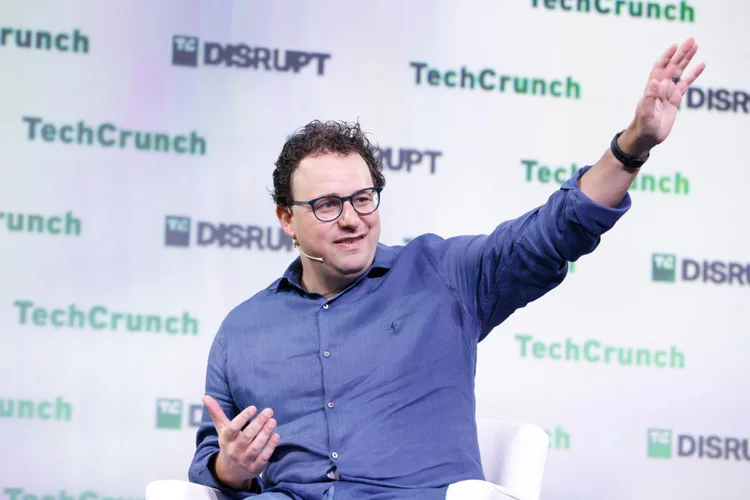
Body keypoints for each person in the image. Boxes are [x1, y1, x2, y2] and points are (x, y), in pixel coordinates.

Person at [187, 38, 704, 499]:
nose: (352, 221)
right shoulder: (242, 331)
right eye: (327, 205)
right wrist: (231, 467)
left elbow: (555, 231)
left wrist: (633, 144)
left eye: (363, 198)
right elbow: (211, 469)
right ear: (286, 219)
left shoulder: (443, 276)